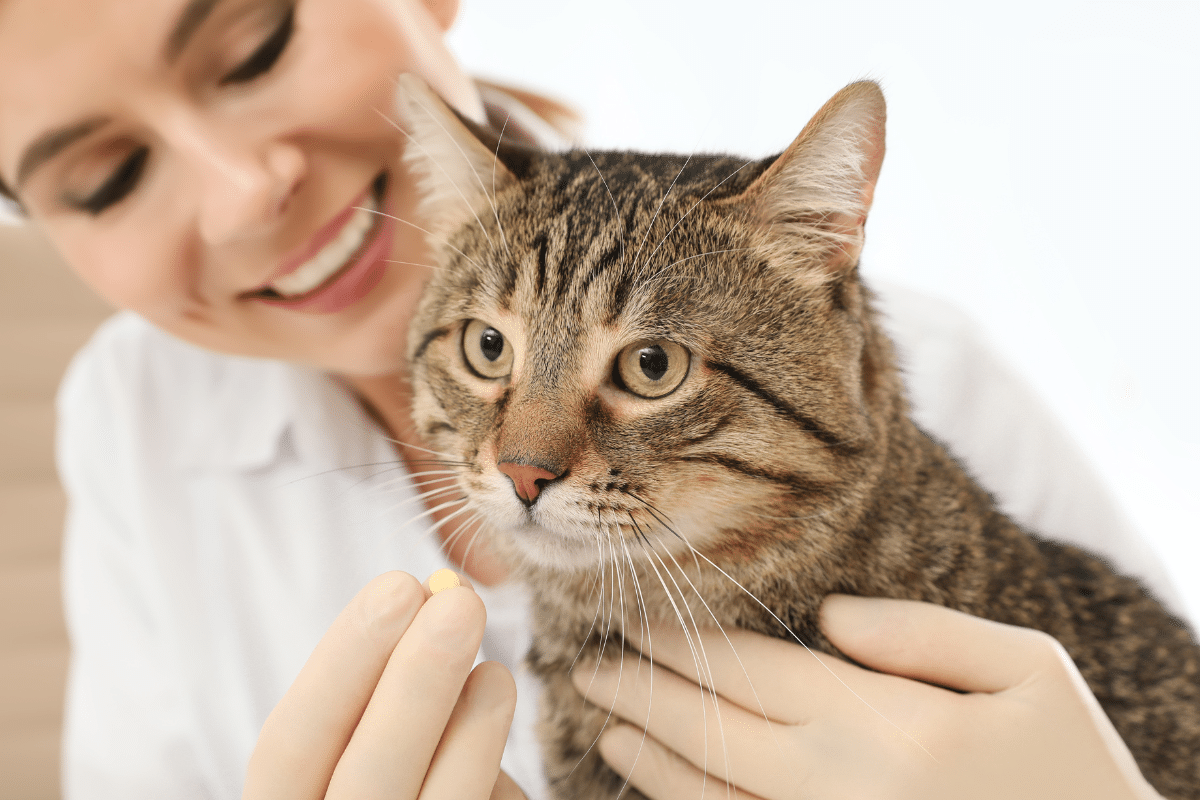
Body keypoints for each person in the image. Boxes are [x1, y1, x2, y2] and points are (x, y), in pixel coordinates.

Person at [0, 0, 1183, 798]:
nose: (247, 191)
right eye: (106, 178)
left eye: (254, 44)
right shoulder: (130, 412)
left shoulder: (930, 367)